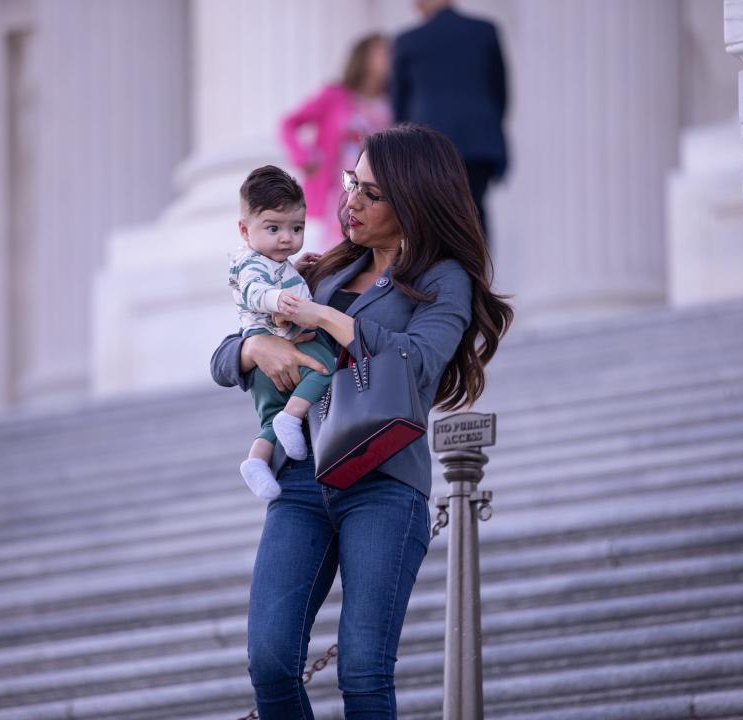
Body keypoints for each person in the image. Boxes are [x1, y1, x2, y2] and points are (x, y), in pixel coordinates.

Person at [211, 124, 513, 718]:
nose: (350, 201)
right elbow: (228, 353)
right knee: (270, 661)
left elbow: (417, 366)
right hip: (300, 481)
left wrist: (327, 318)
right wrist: (255, 352)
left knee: (363, 669)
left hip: (381, 482)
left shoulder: (440, 278)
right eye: (352, 182)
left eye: (371, 193)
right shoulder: (321, 269)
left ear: (413, 200)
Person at [228, 166, 337, 500]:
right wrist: (281, 300)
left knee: (269, 421)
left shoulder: (277, 263)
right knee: (325, 366)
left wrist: (298, 272)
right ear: (245, 230)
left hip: (269, 366)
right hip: (277, 350)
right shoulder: (250, 264)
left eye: (296, 228)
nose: (286, 238)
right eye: (273, 228)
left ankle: (256, 461)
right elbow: (254, 292)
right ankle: (293, 418)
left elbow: (277, 279)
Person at [391, 0, 508, 239]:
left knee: (433, 217)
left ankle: (443, 276)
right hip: (478, 142)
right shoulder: (484, 30)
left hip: (428, 143)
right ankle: (476, 275)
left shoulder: (408, 40)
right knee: (473, 211)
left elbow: (399, 104)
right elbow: (500, 92)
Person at [280, 33, 392, 253]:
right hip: (339, 187)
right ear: (364, 58)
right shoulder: (335, 96)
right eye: (382, 52)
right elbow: (288, 123)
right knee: (337, 246)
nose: (391, 57)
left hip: (379, 185)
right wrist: (304, 158)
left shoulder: (393, 100)